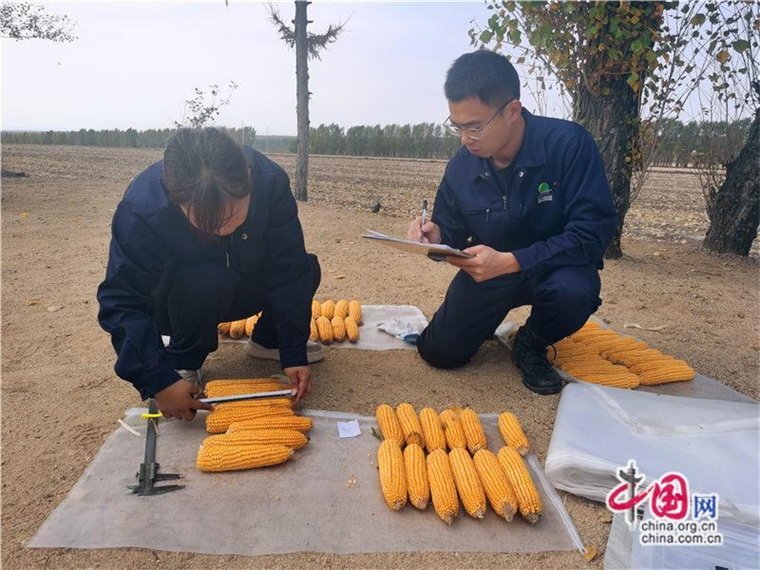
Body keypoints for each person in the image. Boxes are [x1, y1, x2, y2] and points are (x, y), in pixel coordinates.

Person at [408, 51, 617, 395]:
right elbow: (451, 230)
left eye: (475, 127)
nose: (465, 139)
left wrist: (512, 260)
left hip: (556, 269)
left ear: (513, 110)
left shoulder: (568, 146)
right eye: (457, 126)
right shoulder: (461, 166)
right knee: (440, 352)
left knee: (574, 293)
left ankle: (531, 341)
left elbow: (591, 234)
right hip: (489, 274)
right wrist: (434, 236)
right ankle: (483, 323)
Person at [98, 127, 322, 420]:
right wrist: (157, 379)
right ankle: (184, 358)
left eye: (233, 215)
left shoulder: (269, 181)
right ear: (177, 202)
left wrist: (293, 350)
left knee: (305, 268)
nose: (223, 230)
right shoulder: (144, 210)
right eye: (207, 222)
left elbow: (287, 267)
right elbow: (123, 299)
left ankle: (270, 340)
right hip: (181, 299)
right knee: (205, 277)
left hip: (241, 281)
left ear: (249, 182)